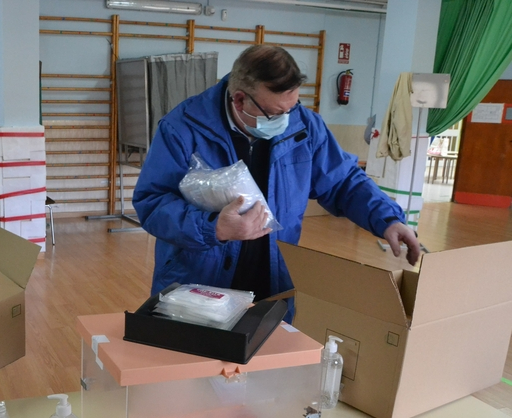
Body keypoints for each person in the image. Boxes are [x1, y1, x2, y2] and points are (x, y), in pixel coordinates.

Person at [133, 45, 421, 310]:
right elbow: (152, 202)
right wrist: (215, 228)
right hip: (199, 286)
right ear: (240, 99)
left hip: (274, 281)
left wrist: (387, 219)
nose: (285, 119)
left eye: (292, 107)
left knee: (271, 362)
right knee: (197, 363)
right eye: (275, 113)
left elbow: (343, 180)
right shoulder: (183, 127)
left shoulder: (304, 125)